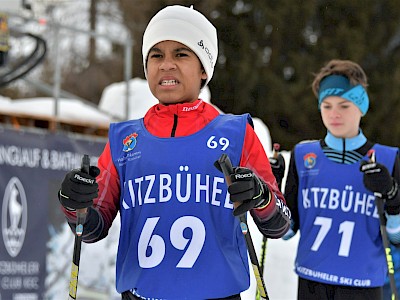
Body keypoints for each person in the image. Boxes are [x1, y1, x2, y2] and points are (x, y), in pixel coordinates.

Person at [57, 5, 291, 300]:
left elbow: (278, 223)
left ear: (204, 67)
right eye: (156, 55)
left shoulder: (236, 133)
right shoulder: (125, 140)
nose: (166, 65)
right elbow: (91, 227)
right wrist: (74, 203)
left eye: (181, 53)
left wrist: (261, 196)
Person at [276, 59, 400, 300]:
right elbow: (286, 232)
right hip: (312, 283)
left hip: (364, 285)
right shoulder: (303, 156)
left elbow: (396, 237)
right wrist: (271, 192)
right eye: (327, 106)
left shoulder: (387, 158)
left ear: (361, 106)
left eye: (344, 105)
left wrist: (393, 195)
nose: (334, 114)